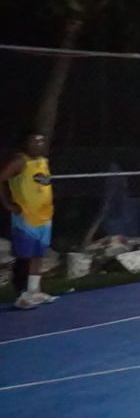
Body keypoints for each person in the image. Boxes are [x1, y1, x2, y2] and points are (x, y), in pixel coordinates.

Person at [1, 131, 56, 309]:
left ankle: (34, 290)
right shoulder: (20, 161)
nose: (39, 145)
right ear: (26, 144)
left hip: (44, 216)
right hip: (25, 217)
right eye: (35, 142)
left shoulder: (43, 161)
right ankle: (21, 295)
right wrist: (8, 204)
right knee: (24, 256)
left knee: (38, 254)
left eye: (42, 141)